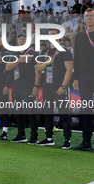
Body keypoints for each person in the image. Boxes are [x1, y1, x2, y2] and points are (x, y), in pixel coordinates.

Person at [35, 29, 73, 149]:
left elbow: (69, 70)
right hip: (47, 87)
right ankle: (49, 138)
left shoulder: (65, 50)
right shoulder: (44, 51)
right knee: (48, 113)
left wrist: (63, 86)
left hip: (59, 87)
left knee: (64, 113)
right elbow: (38, 68)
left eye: (54, 34)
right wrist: (47, 63)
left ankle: (67, 139)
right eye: (49, 34)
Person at [6, 34, 41, 143]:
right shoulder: (15, 54)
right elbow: (8, 67)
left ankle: (34, 136)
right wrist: (19, 61)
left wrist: (36, 86)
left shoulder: (34, 53)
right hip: (16, 87)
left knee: (31, 112)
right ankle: (21, 134)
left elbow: (38, 71)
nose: (21, 41)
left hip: (29, 87)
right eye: (20, 39)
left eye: (24, 39)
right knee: (18, 112)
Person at [73, 8, 94, 151]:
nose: (90, 18)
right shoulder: (79, 36)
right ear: (84, 20)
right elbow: (77, 59)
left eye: (92, 16)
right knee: (86, 109)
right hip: (84, 77)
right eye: (87, 16)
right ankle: (86, 142)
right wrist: (75, 77)